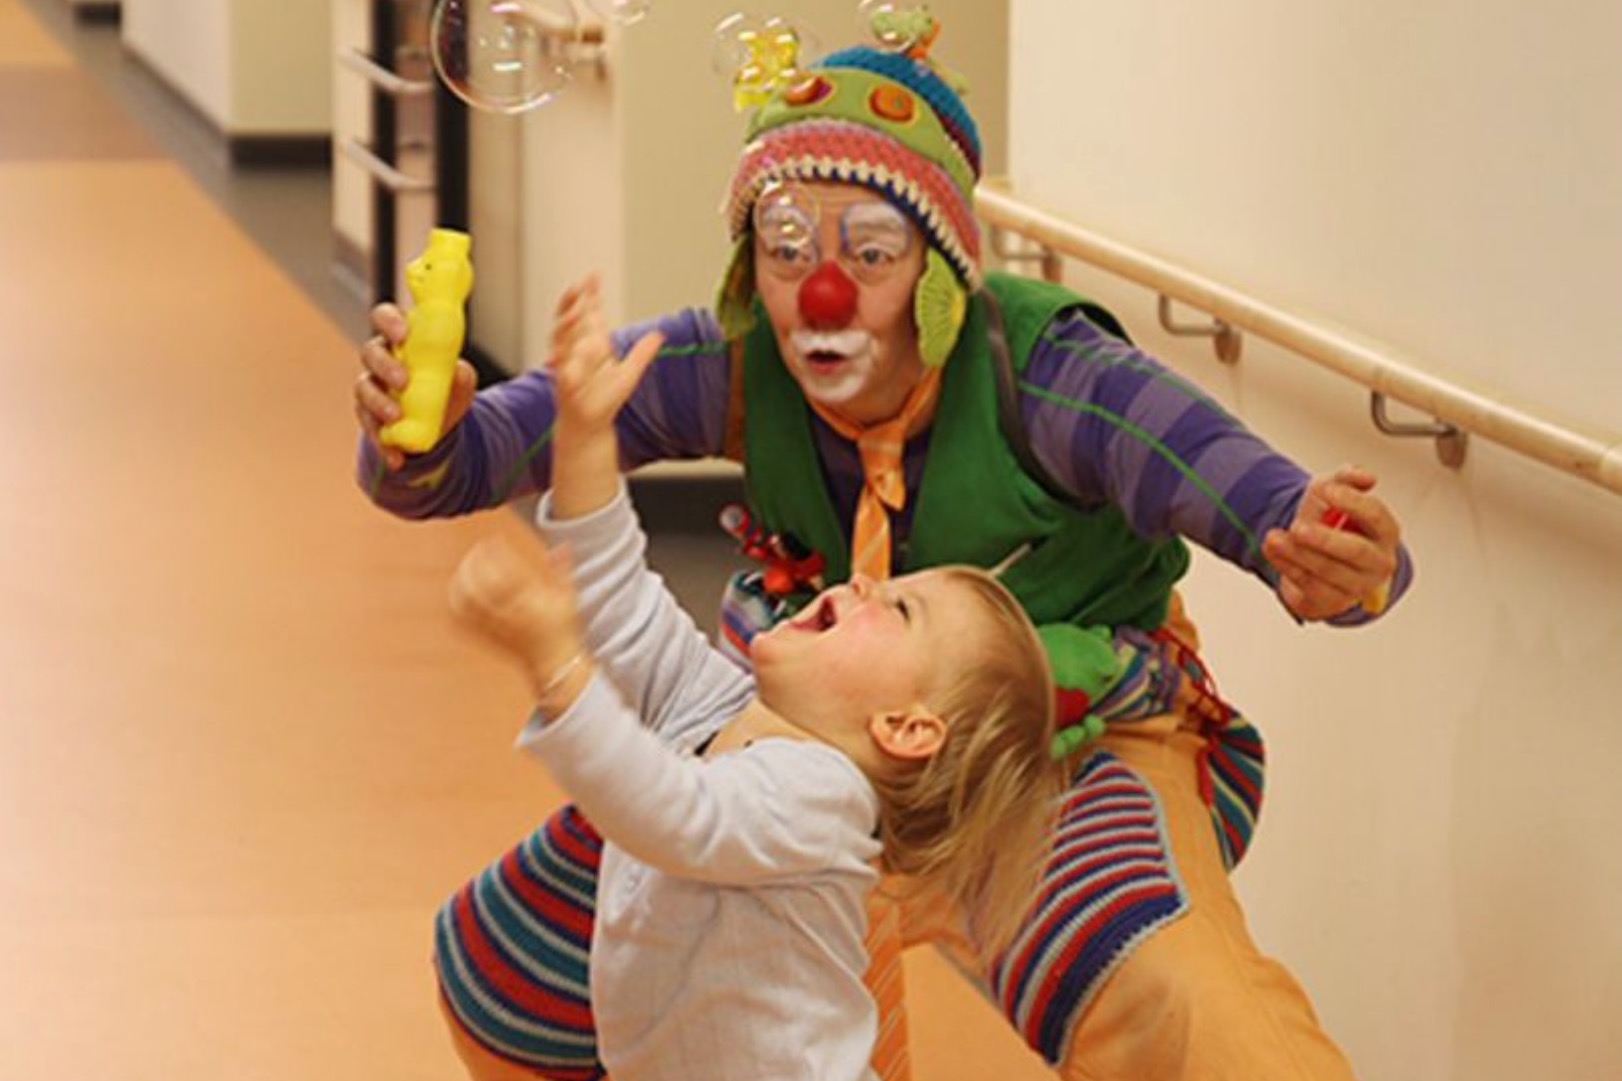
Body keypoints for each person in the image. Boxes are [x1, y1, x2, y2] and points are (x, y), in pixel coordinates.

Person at [355, 12, 1412, 1080]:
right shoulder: (740, 357)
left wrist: (1316, 546)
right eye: (785, 250)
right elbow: (504, 445)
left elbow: (1224, 476)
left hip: (1055, 733)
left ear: (939, 272)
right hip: (816, 728)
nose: (822, 291)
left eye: (869, 252)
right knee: (514, 968)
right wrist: (424, 434)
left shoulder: (1045, 370)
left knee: (1182, 1002)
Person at [445, 293, 1064, 1081]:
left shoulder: (824, 798)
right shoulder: (722, 708)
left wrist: (557, 662)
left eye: (900, 607)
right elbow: (622, 604)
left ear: (905, 727)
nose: (864, 582)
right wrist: (586, 438)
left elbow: (672, 812)